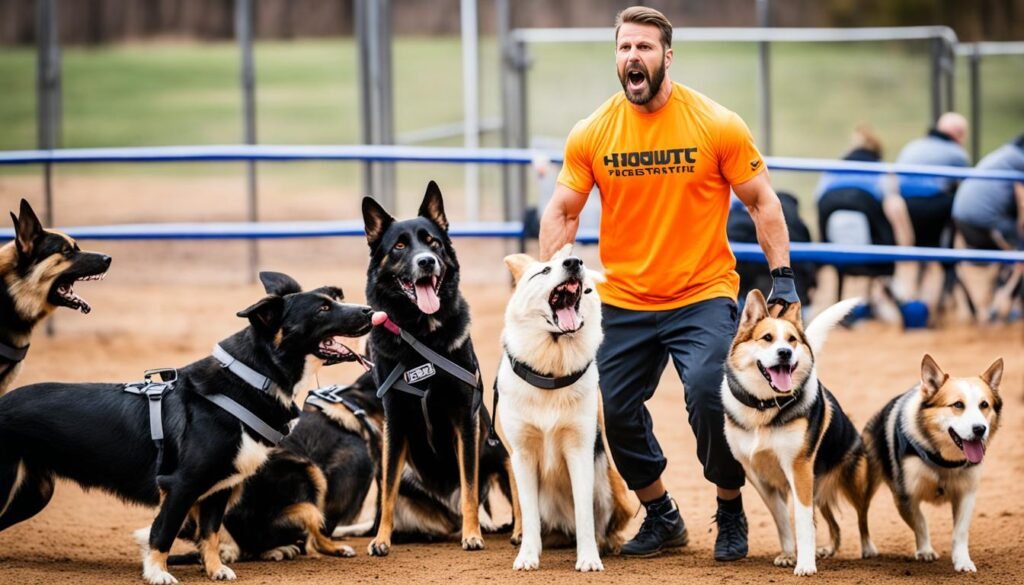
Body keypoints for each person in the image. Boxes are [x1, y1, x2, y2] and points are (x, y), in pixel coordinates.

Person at [538, 6, 797, 562]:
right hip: (623, 298)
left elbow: (762, 201)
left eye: (645, 48)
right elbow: (562, 211)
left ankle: (729, 508)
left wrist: (784, 280)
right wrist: (552, 287)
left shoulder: (716, 123)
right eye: (625, 48)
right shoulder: (593, 132)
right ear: (616, 57)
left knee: (709, 393)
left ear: (667, 57)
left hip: (700, 293)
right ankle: (661, 514)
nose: (633, 57)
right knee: (608, 405)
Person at [892, 113, 971, 314]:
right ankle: (929, 309)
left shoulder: (913, 146)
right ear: (958, 134)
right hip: (935, 206)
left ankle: (912, 306)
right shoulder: (957, 154)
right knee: (935, 257)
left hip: (905, 206)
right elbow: (967, 188)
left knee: (913, 257)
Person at [951, 133, 1024, 321]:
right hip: (986, 219)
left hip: (962, 216)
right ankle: (1003, 302)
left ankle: (987, 305)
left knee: (1002, 258)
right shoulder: (1018, 159)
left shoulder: (1005, 154)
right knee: (1018, 255)